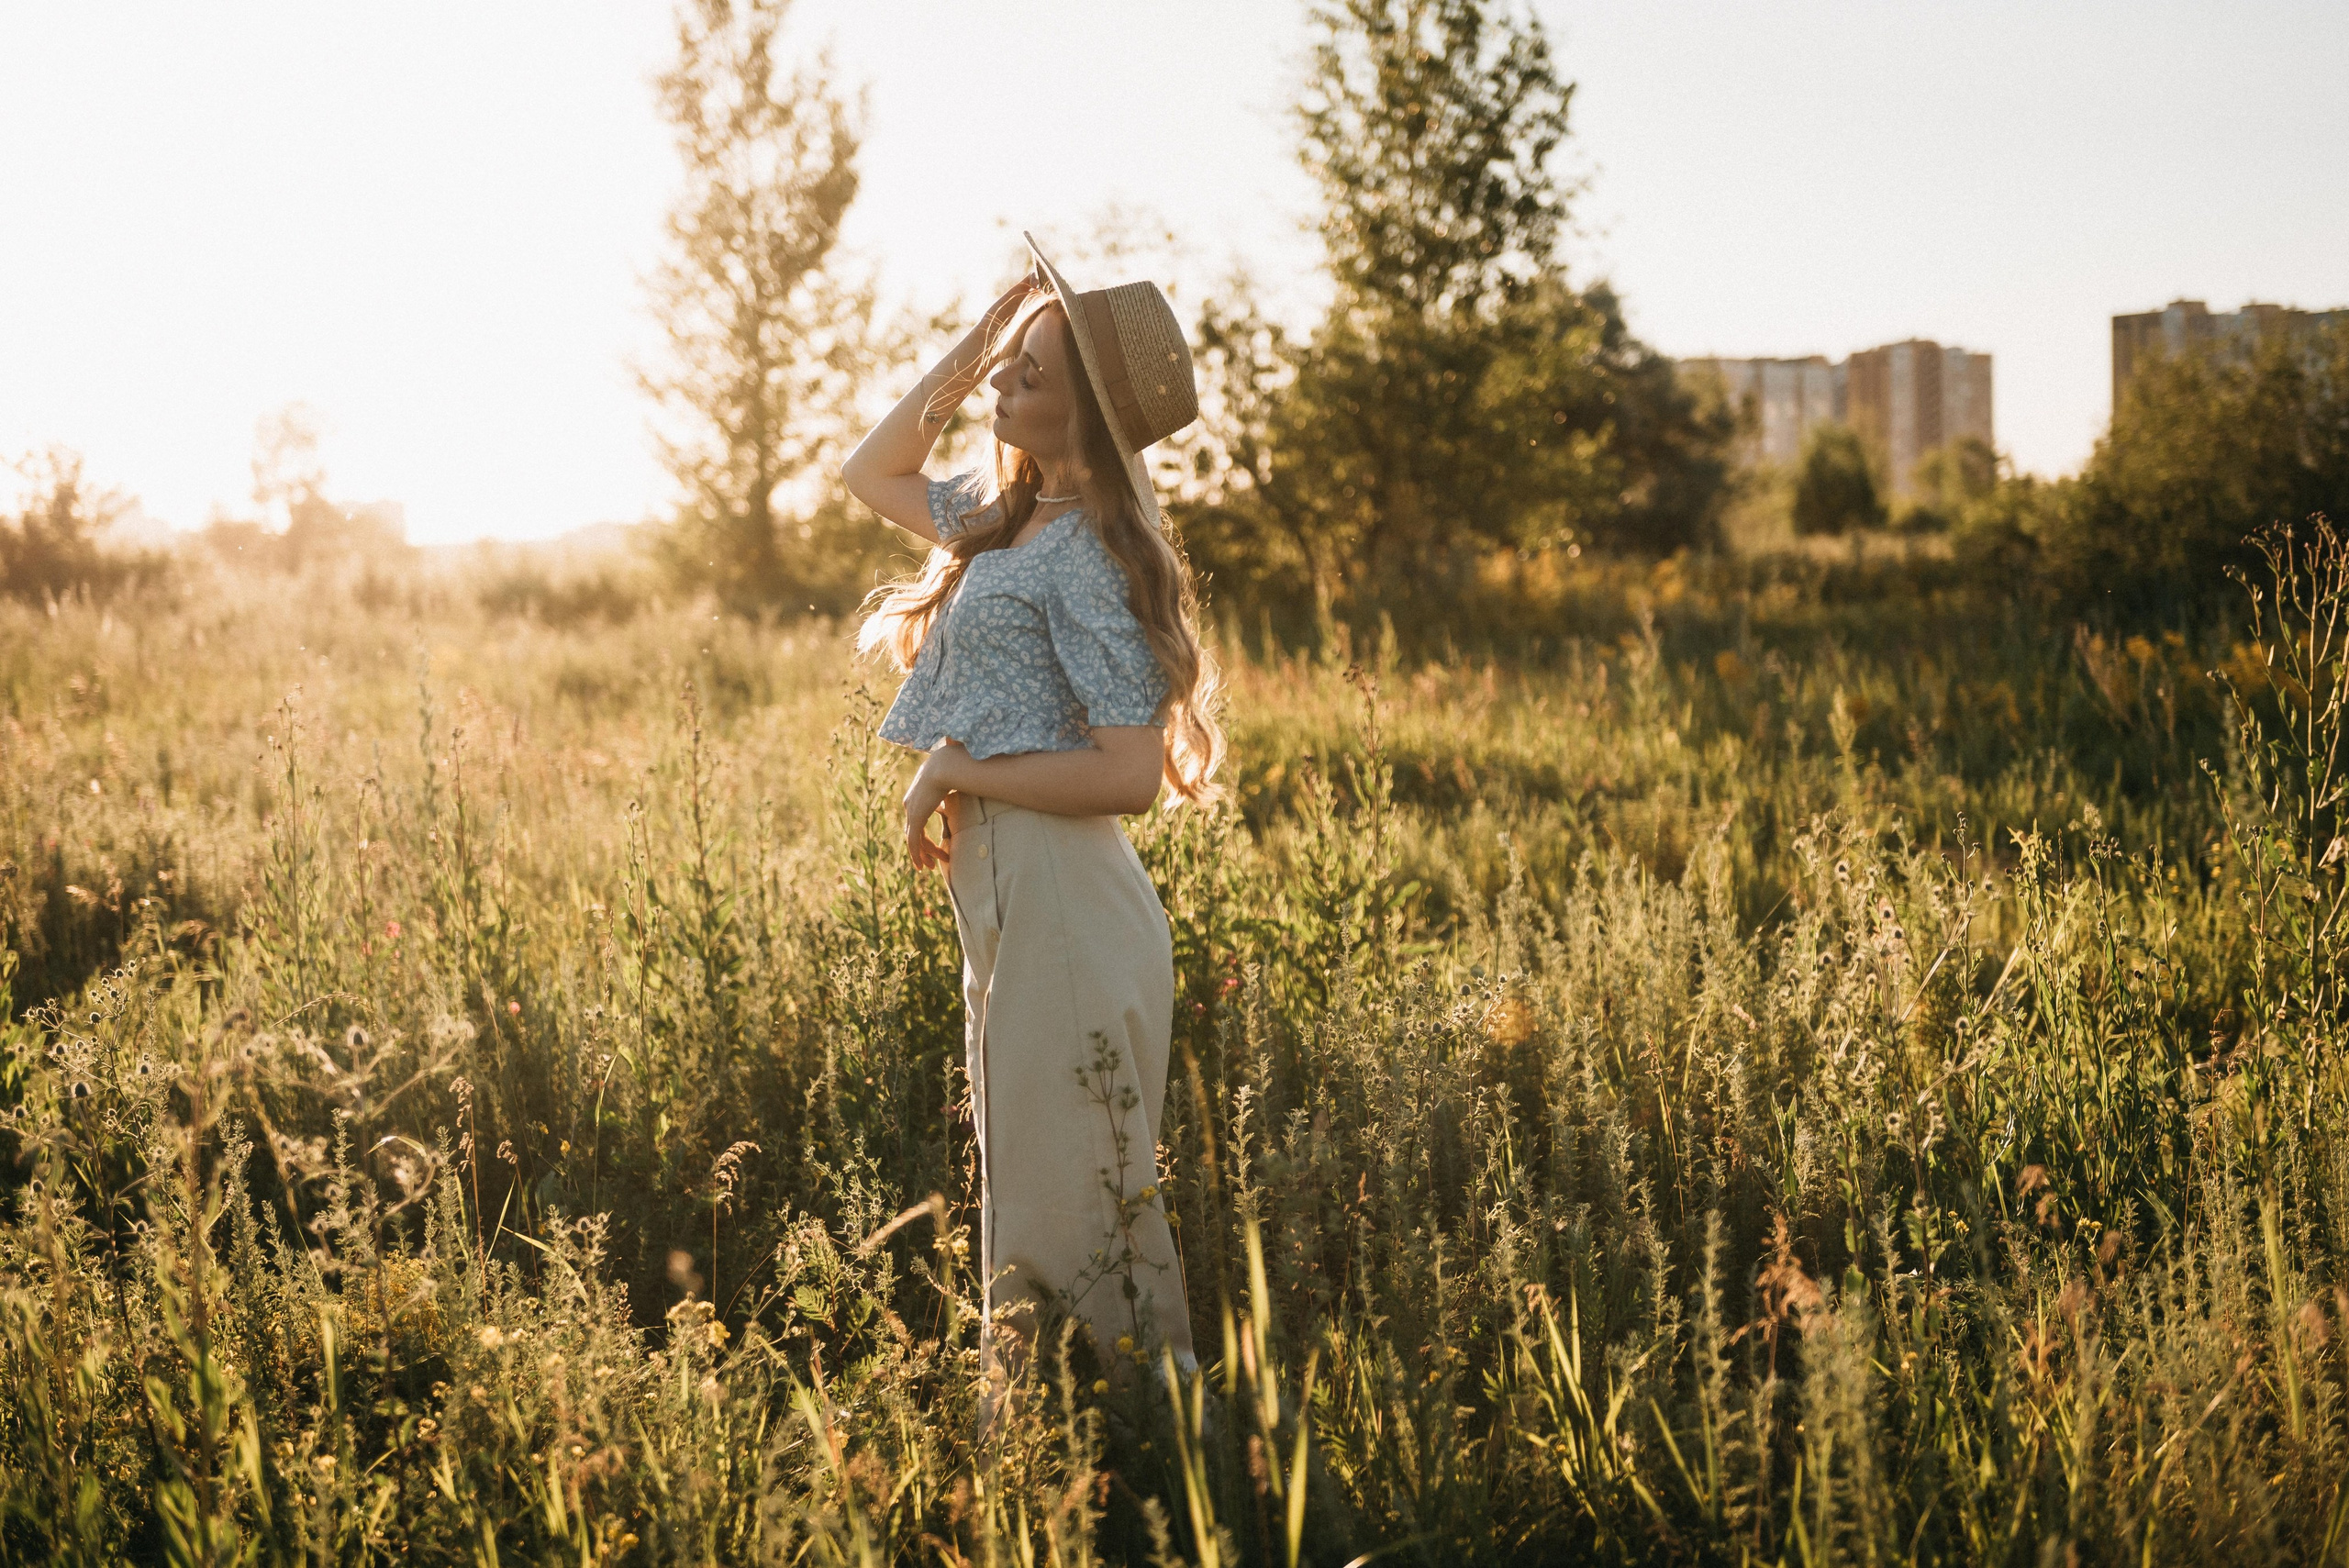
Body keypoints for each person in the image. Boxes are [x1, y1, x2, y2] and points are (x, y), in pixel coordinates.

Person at [841, 232, 1223, 1407]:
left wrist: (957, 762)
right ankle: (1071, 1443)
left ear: (1091, 417)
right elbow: (870, 471)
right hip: (1013, 887)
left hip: (1067, 893)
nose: (1001, 389)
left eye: (1029, 374)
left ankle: (1129, 1452)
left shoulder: (1098, 552)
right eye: (1004, 367)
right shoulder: (1005, 518)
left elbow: (1125, 778)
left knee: (1074, 1197)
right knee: (1034, 1184)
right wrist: (971, 351)